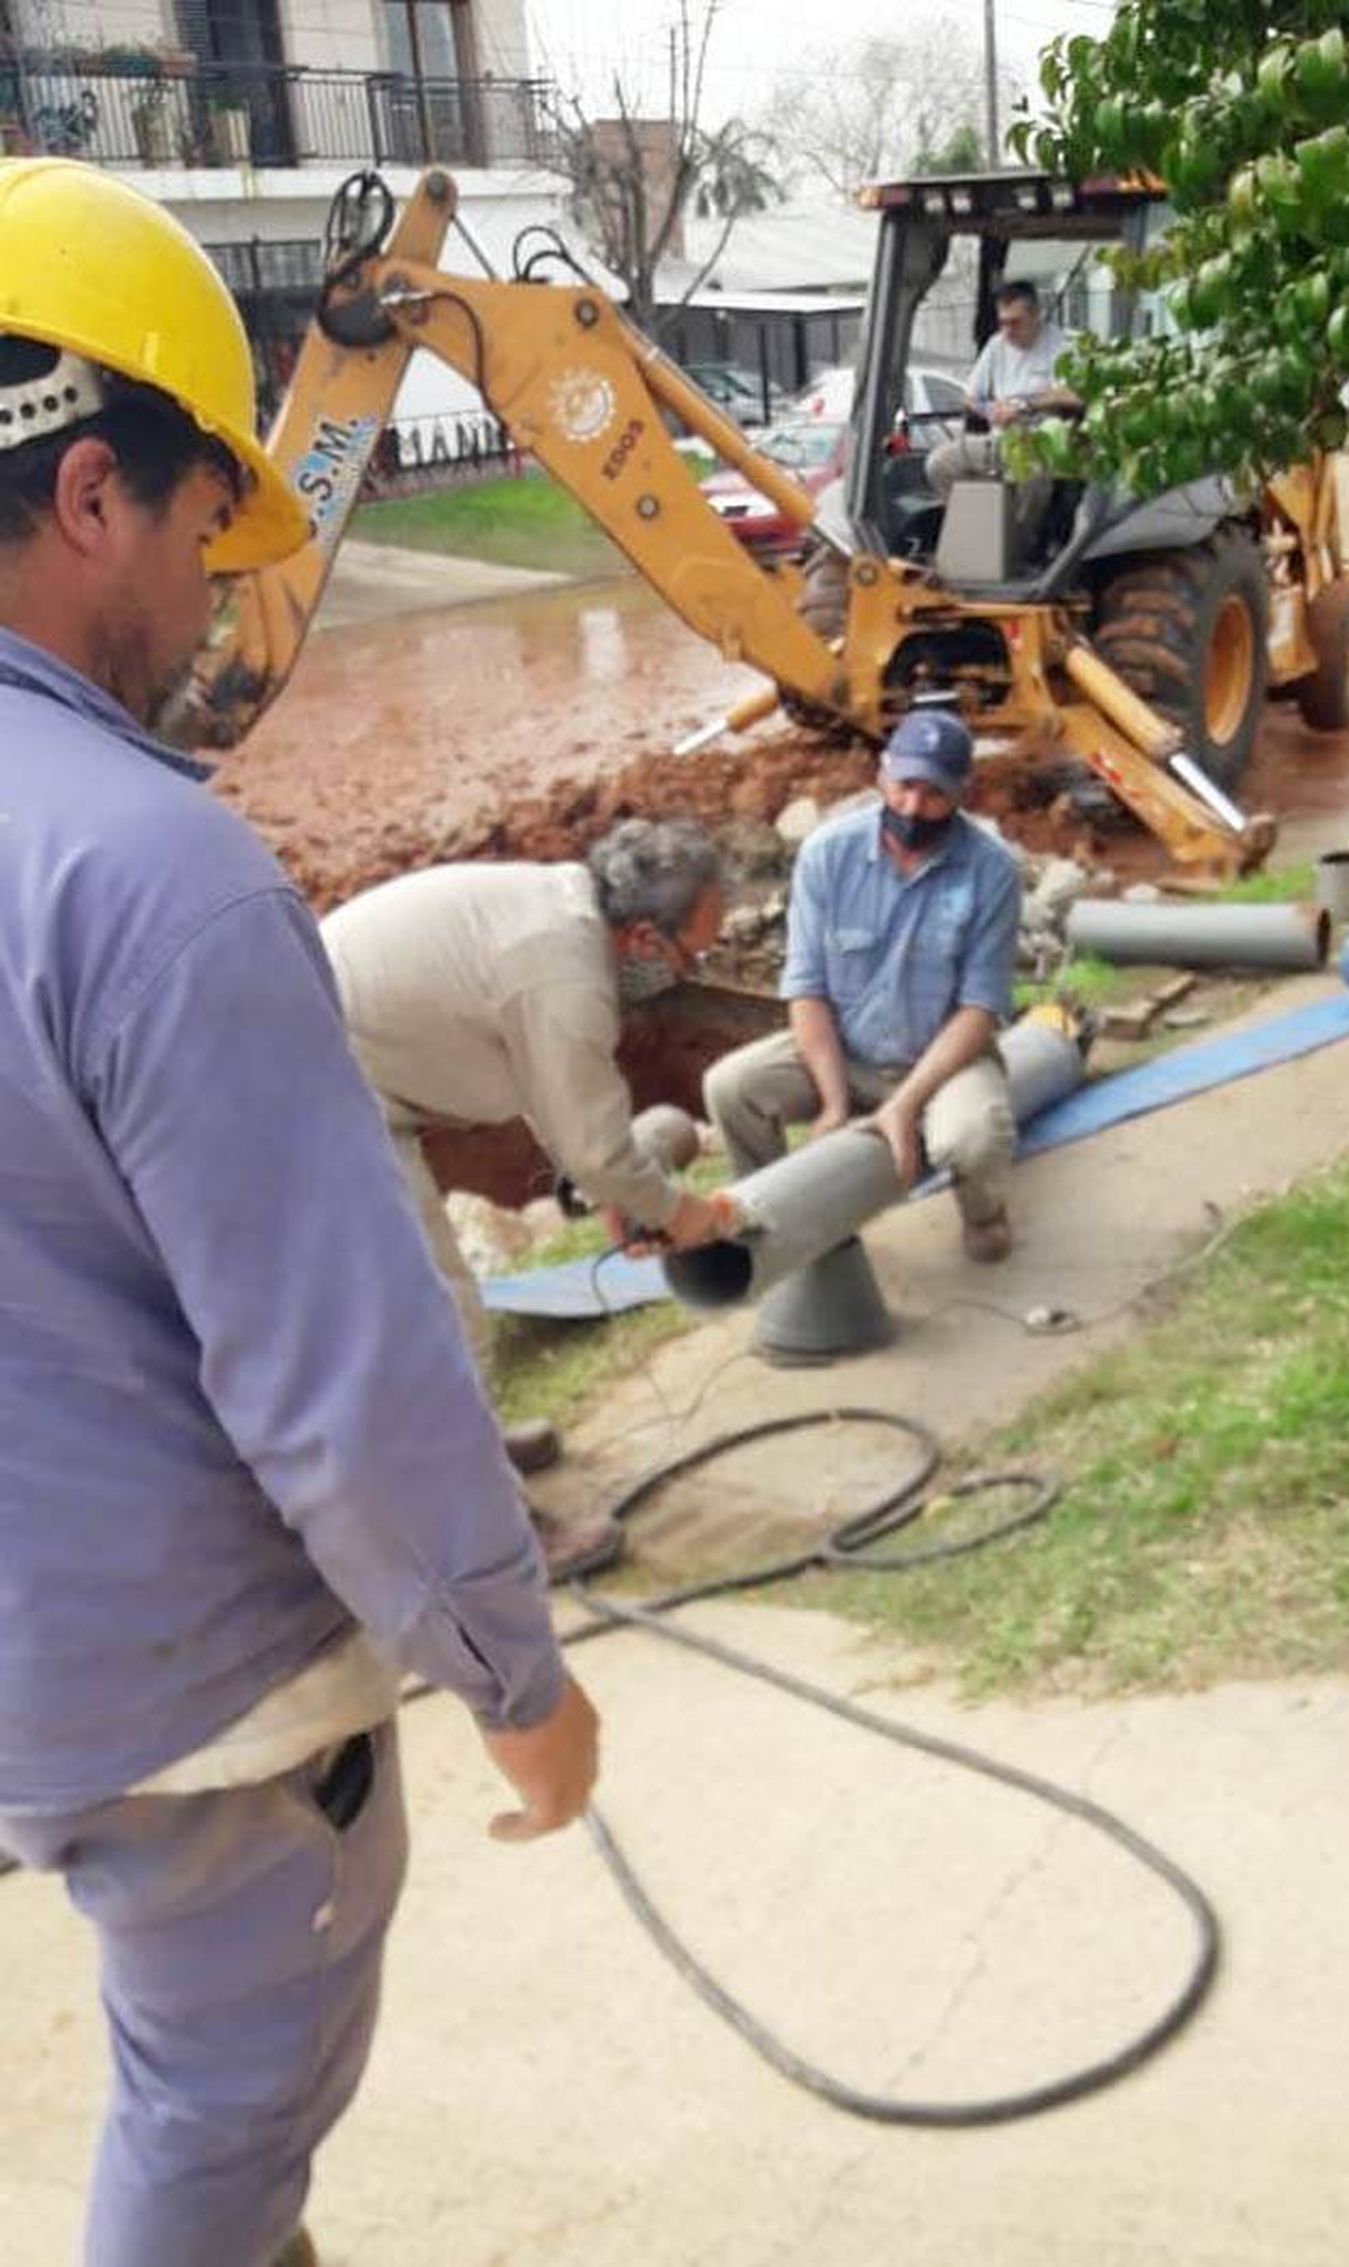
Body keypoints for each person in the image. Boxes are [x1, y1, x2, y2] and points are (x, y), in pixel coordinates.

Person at [0, 159, 597, 2267]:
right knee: (219, 2111)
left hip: (30, 1667)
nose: (207, 592)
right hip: (194, 1696)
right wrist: (518, 1674)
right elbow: (341, 1380)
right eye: (192, 527)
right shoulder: (147, 875)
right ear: (91, 495)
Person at [319, 823, 727, 1578]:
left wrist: (611, 1192)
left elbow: (559, 1097)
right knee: (439, 1315)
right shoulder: (564, 972)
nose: (690, 970)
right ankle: (496, 1531)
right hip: (311, 1096)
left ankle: (466, 1449)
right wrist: (680, 1212)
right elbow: (598, 1144)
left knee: (440, 1302)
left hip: (349, 1066)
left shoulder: (566, 921)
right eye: (688, 955)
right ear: (642, 935)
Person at [705, 709, 1021, 1263]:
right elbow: (806, 988)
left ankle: (983, 1210)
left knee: (972, 1135)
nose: (913, 807)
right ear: (881, 775)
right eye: (903, 786)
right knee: (731, 1087)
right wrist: (832, 1103)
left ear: (963, 793)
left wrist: (904, 1105)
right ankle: (770, 1215)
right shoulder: (828, 855)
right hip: (846, 1052)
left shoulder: (991, 872)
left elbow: (978, 1009)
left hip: (944, 1059)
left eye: (934, 794)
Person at [925, 278, 1080, 502]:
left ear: (1036, 315)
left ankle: (1021, 535)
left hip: (1042, 442)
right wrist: (989, 410)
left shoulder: (1061, 345)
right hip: (1000, 441)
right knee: (939, 464)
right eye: (1003, 323)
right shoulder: (997, 346)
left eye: (1015, 322)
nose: (1008, 331)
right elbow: (969, 397)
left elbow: (1071, 394)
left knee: (1031, 475)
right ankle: (970, 529)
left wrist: (1023, 407)